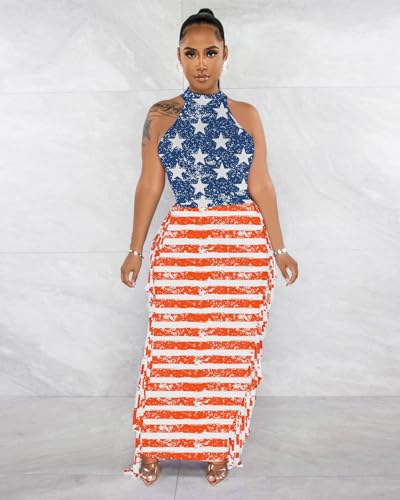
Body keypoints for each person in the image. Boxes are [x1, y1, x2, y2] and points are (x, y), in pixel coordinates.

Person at [121, 7, 298, 486]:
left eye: (211, 52)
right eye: (191, 53)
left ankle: (217, 445)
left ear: (225, 55)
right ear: (179, 56)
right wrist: (135, 250)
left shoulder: (246, 114)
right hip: (184, 242)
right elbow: (149, 185)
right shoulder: (161, 115)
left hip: (240, 246)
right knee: (172, 346)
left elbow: (261, 184)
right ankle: (153, 444)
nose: (201, 63)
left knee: (226, 352)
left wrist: (279, 248)